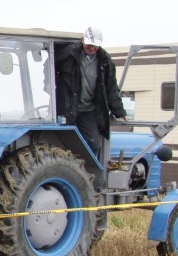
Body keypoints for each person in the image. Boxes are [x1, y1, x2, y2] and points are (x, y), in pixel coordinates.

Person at [54, 26, 128, 160]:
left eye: (95, 45)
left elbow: (111, 87)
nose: (92, 48)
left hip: (88, 110)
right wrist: (48, 87)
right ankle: (68, 167)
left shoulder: (105, 61)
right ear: (82, 40)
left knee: (93, 142)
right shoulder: (67, 54)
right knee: (61, 141)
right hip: (67, 108)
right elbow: (49, 71)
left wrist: (119, 111)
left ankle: (84, 172)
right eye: (89, 44)